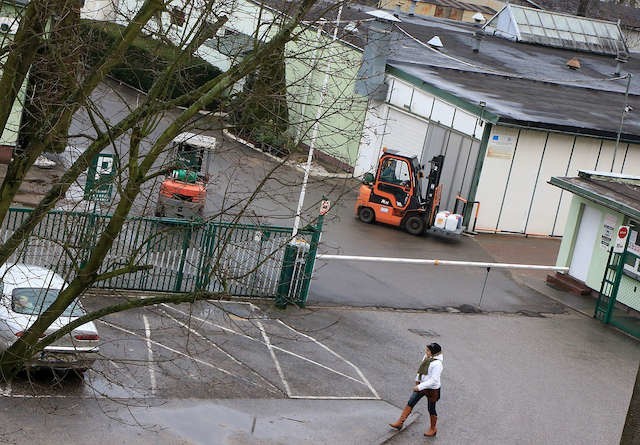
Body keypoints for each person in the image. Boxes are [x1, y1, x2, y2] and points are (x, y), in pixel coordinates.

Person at [389, 342, 443, 437]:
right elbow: (421, 369)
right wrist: (417, 380)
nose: (426, 351)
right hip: (422, 385)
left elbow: (434, 380)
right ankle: (400, 423)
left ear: (433, 352)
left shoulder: (437, 364)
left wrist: (419, 387)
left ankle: (433, 429)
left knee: (431, 409)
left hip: (432, 389)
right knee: (411, 402)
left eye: (428, 350)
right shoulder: (427, 357)